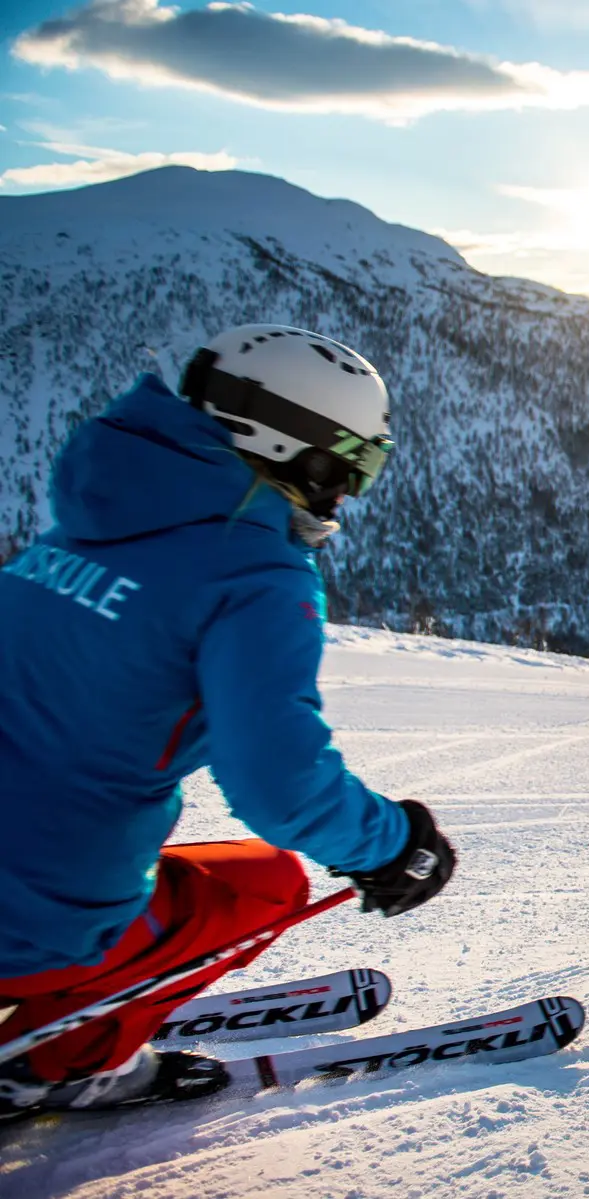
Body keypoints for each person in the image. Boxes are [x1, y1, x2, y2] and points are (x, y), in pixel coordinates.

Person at [0, 325, 456, 1115]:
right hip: (32, 918)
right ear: (293, 449)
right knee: (267, 886)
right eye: (353, 464)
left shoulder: (93, 516)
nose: (347, 492)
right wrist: (395, 844)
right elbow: (281, 788)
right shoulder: (255, 572)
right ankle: (64, 1063)